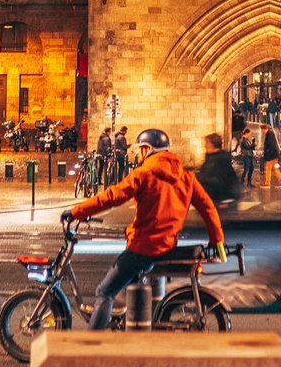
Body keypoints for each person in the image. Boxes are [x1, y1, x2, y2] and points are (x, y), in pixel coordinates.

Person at [62, 128, 225, 329]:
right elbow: (208, 207)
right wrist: (217, 240)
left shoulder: (144, 173)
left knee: (105, 292)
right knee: (137, 286)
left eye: (140, 150)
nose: (139, 154)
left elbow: (111, 197)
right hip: (167, 245)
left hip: (143, 247)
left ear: (147, 149)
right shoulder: (186, 177)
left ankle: (91, 348)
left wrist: (77, 211)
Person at [196, 133, 240, 207]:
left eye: (207, 143)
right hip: (216, 198)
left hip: (222, 198)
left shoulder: (219, 159)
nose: (204, 146)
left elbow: (217, 180)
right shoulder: (212, 157)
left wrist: (196, 177)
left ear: (212, 145)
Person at [262, 124, 281, 190]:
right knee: (275, 169)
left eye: (262, 130)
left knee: (268, 169)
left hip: (271, 156)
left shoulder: (269, 135)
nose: (262, 132)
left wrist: (267, 153)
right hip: (273, 155)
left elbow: (271, 145)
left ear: (265, 129)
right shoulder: (270, 134)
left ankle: (267, 184)